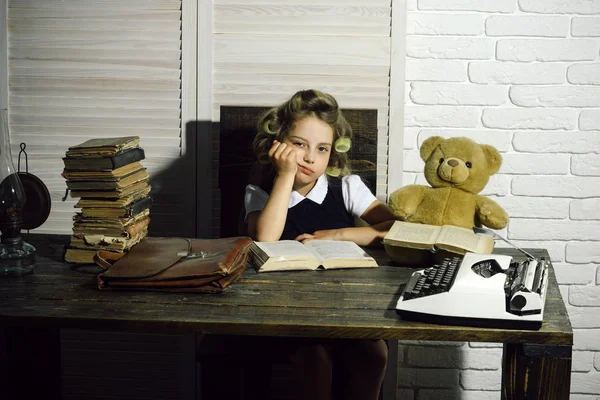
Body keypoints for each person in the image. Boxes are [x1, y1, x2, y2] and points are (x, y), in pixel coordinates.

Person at [244, 89, 398, 400]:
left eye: (322, 148)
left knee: (375, 353)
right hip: (285, 308)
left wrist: (339, 234)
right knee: (316, 356)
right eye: (299, 144)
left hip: (344, 303)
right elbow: (266, 239)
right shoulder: (259, 192)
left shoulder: (347, 187)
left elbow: (396, 227)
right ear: (277, 144)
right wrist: (285, 176)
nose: (311, 158)